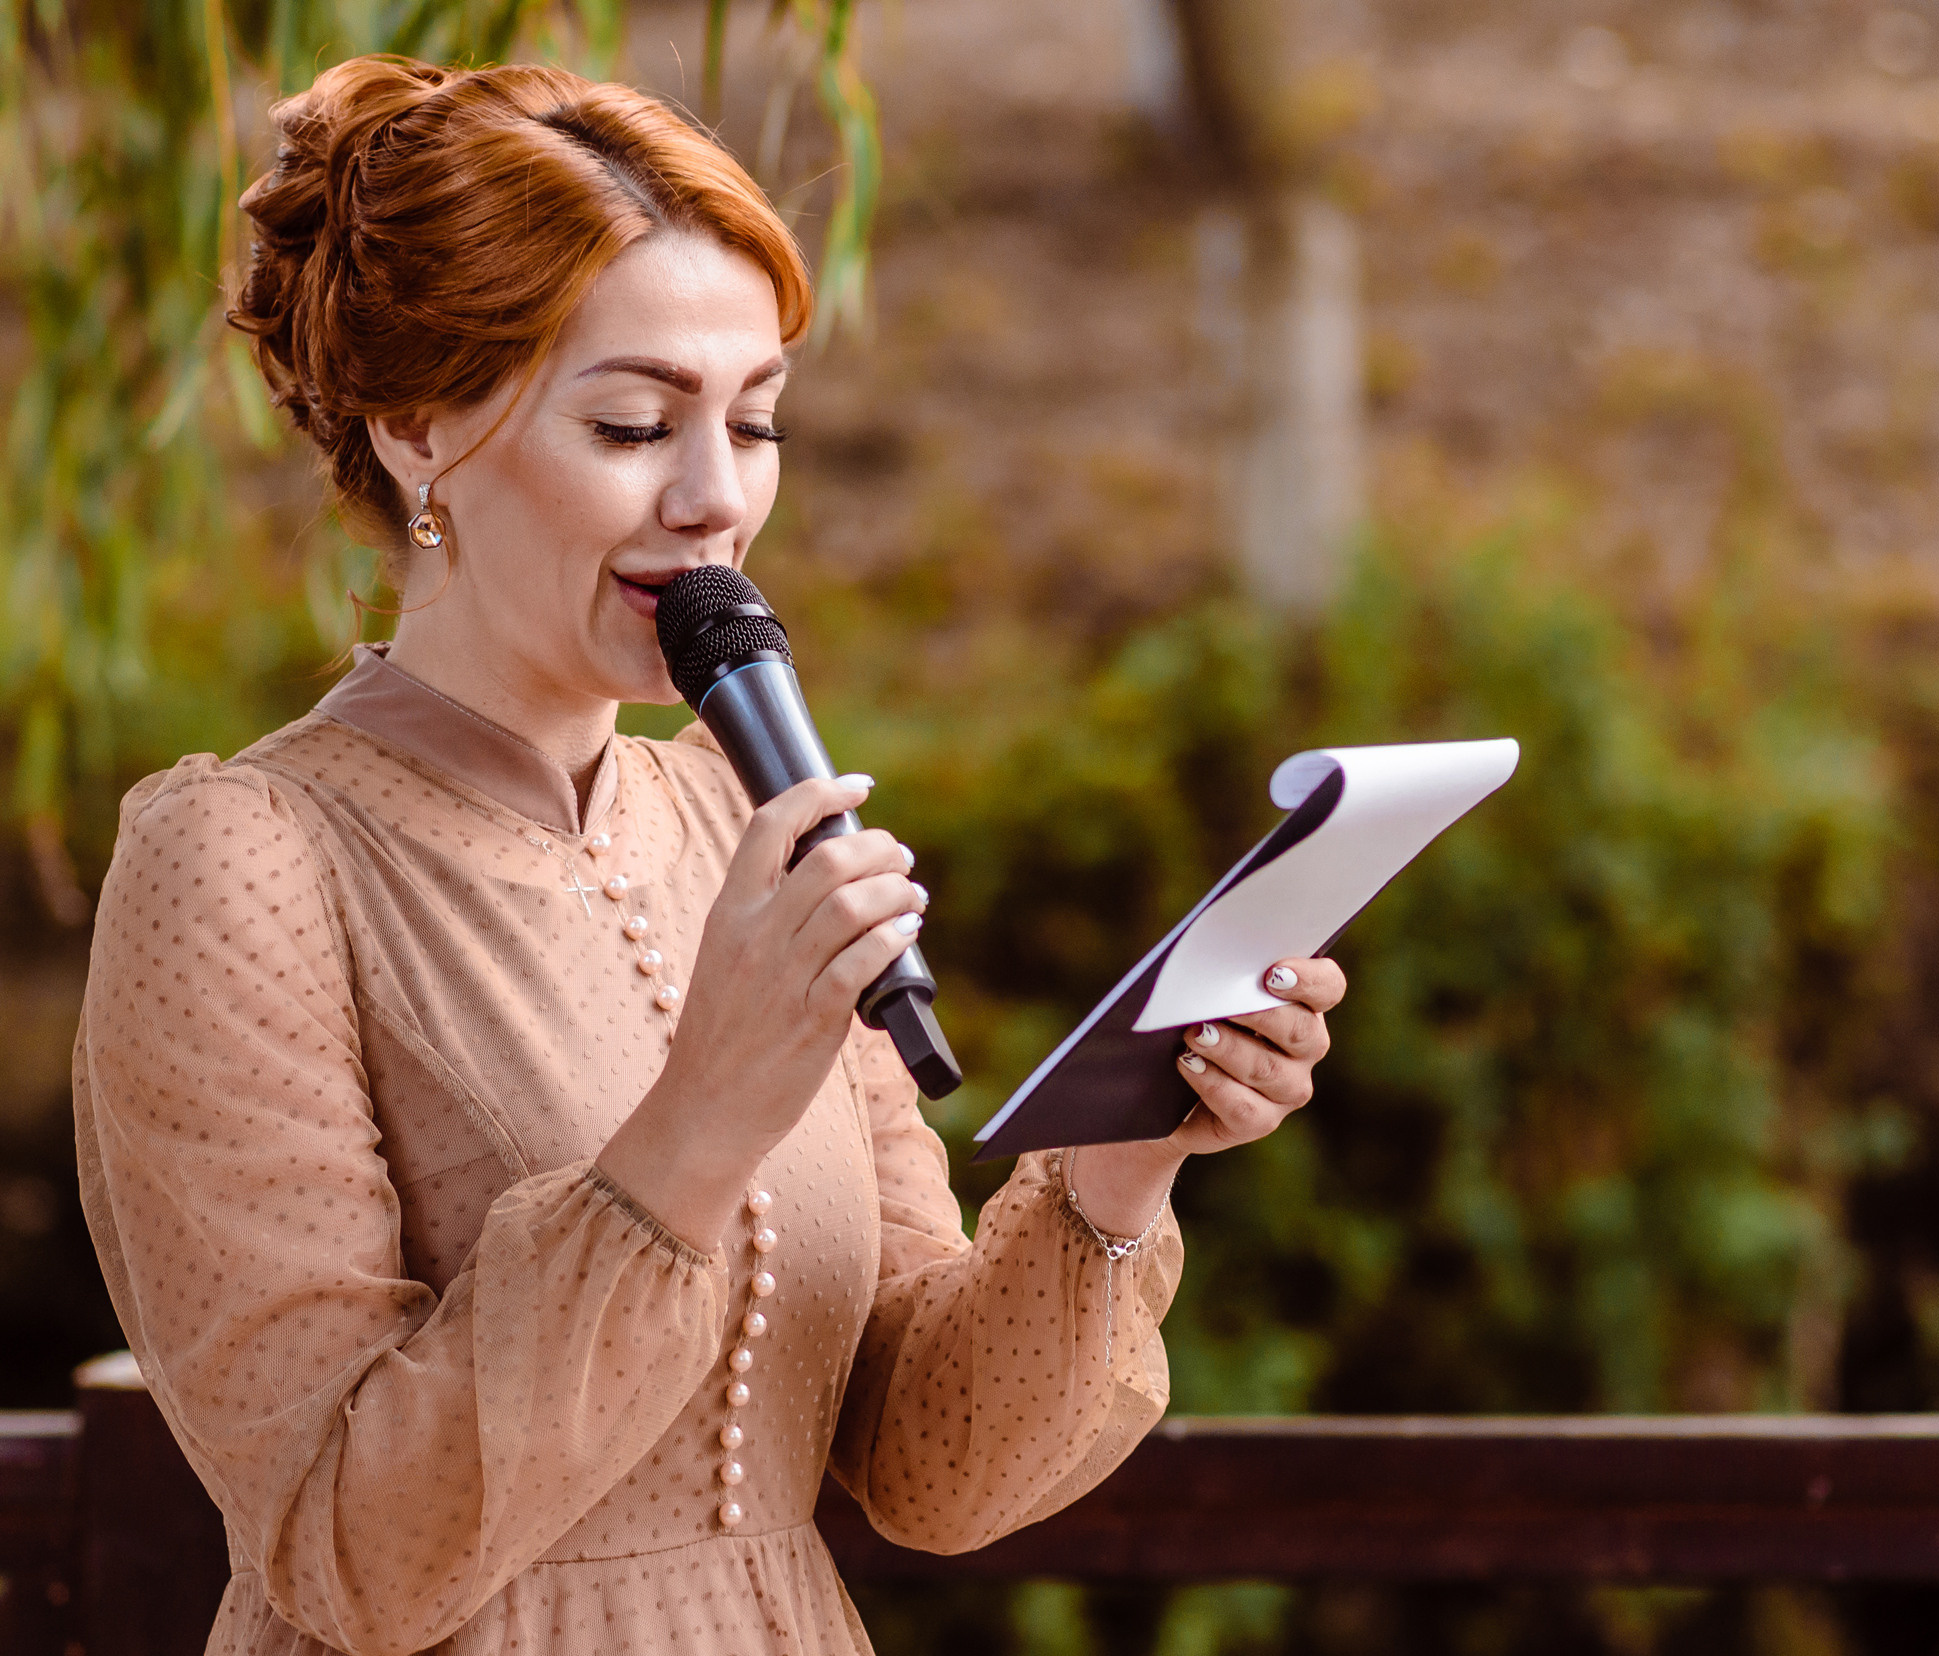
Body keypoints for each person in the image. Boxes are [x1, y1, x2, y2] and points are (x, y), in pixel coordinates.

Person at [69, 55, 1344, 1656]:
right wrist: (705, 1113)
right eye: (633, 424)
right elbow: (348, 1555)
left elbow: (932, 1472)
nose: (717, 499)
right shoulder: (241, 861)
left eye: (755, 423)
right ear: (415, 425)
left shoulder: (744, 823)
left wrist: (1119, 1161)